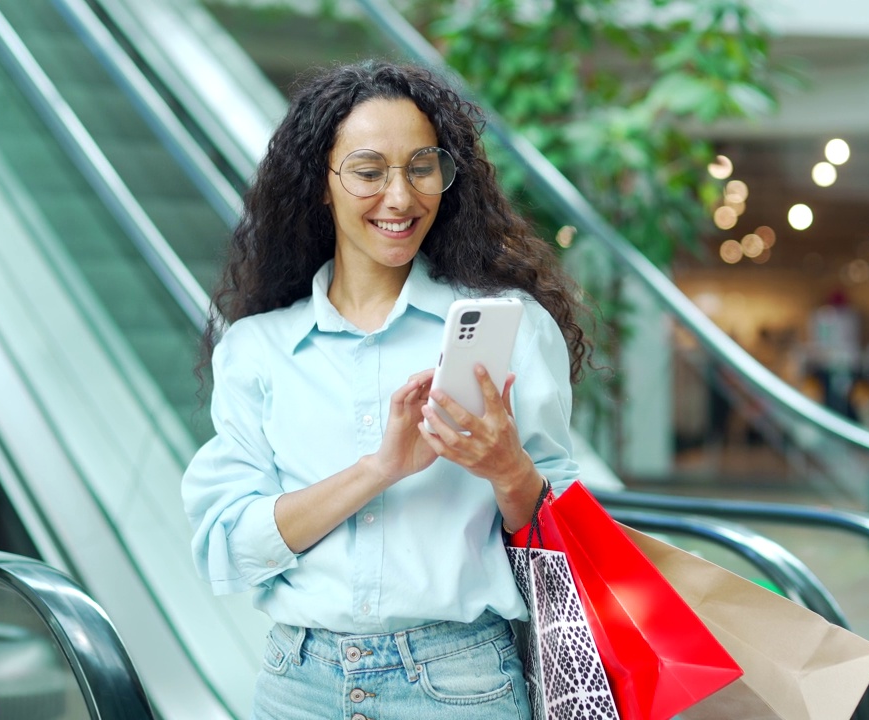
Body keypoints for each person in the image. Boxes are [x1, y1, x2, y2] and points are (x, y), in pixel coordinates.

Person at [182, 60, 591, 720]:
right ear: (322, 183)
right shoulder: (259, 349)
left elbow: (566, 550)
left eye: (421, 168)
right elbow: (231, 546)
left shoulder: (509, 329)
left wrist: (508, 470)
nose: (400, 198)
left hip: (460, 687)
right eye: (369, 172)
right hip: (299, 686)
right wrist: (381, 469)